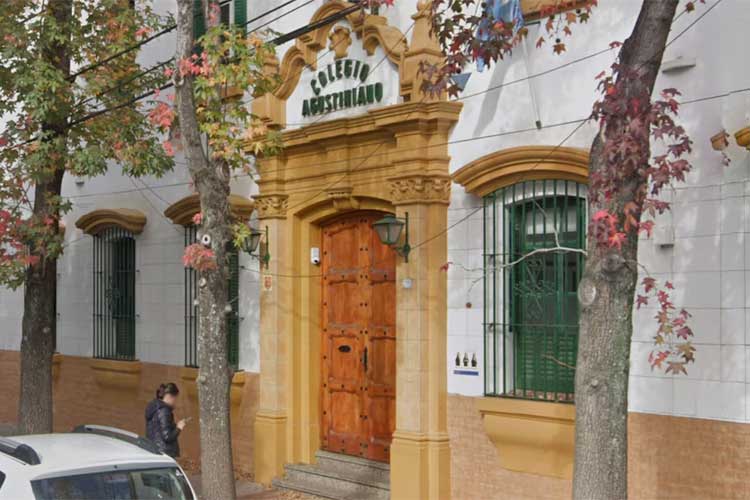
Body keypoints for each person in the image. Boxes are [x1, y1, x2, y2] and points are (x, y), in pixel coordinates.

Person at [145, 383, 187, 458]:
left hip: (154, 450)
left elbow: (159, 429)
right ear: (170, 396)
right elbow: (167, 436)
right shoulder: (164, 411)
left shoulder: (155, 408)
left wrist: (175, 426)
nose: (176, 402)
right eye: (175, 398)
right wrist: (179, 428)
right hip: (164, 454)